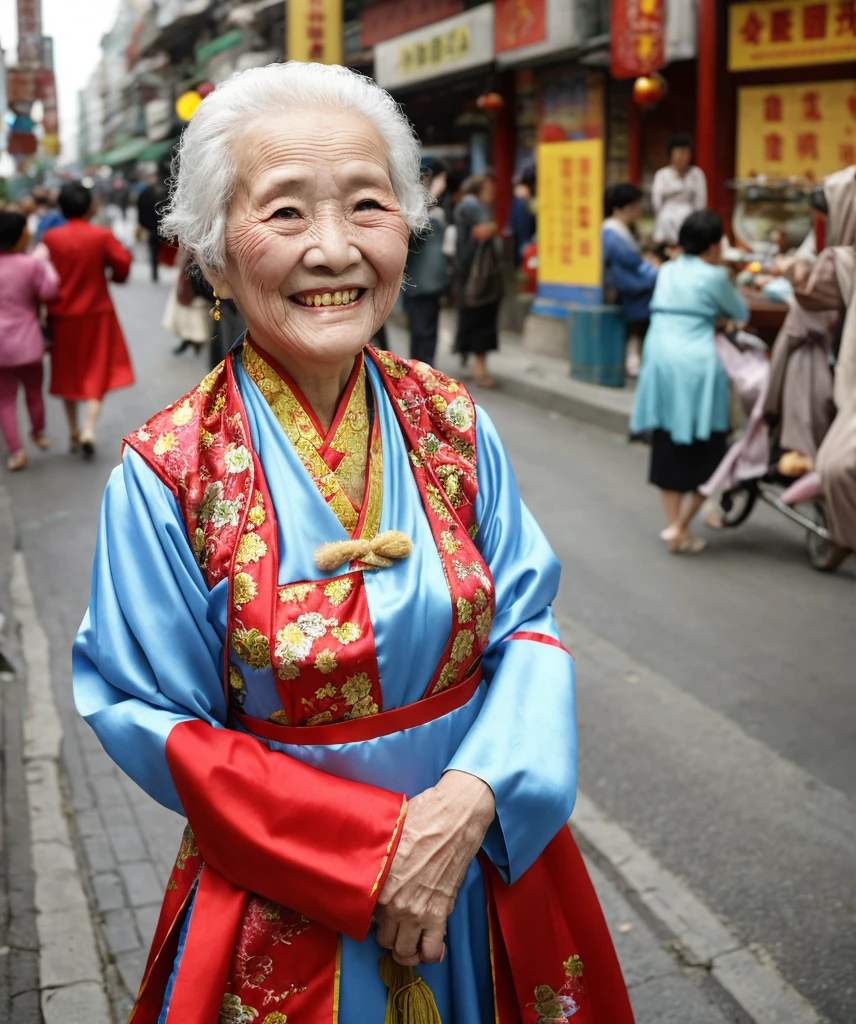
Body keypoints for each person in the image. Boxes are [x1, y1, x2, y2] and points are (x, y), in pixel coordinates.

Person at [72, 62, 633, 1024]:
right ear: (211, 258)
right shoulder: (170, 471)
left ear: (407, 231)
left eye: (367, 205)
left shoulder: (452, 421)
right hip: (290, 897)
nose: (334, 250)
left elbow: (527, 626)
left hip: (483, 862)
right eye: (285, 214)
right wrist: (372, 855)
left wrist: (471, 800)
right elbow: (149, 712)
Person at [631, 210, 749, 553]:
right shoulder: (715, 276)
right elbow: (742, 312)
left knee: (667, 441)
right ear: (714, 245)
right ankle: (681, 527)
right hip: (695, 362)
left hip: (660, 356)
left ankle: (674, 526)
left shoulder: (667, 270)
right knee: (710, 448)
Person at [763, 165, 856, 471]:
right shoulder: (833, 240)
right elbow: (807, 264)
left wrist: (797, 273)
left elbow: (815, 286)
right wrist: (796, 266)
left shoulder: (843, 259)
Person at [43, 182, 133, 458]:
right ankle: (88, 429)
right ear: (90, 206)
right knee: (97, 369)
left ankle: (72, 431)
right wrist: (113, 277)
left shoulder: (51, 238)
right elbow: (123, 264)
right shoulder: (101, 235)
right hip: (97, 314)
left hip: (61, 316)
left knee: (67, 373)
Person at [0, 211, 60, 471]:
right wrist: (44, 263)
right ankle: (38, 432)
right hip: (28, 342)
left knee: (5, 399)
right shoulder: (30, 265)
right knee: (34, 392)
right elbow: (50, 292)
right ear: (18, 237)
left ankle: (16, 451)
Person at [602, 183, 659, 377]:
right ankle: (634, 360)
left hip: (629, 286)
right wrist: (655, 274)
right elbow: (632, 264)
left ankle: (634, 359)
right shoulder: (612, 234)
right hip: (628, 289)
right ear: (628, 207)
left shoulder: (618, 231)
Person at [454, 173, 502, 388]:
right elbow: (485, 232)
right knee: (482, 318)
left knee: (470, 316)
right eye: (490, 188)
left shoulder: (462, 205)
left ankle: (470, 359)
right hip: (479, 274)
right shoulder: (476, 208)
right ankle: (479, 368)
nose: (492, 194)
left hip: (465, 272)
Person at [403, 157, 450, 365]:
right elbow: (415, 237)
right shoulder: (411, 203)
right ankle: (419, 380)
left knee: (427, 334)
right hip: (419, 283)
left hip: (431, 284)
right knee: (421, 334)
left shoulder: (430, 205)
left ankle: (424, 378)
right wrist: (433, 196)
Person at [651, 133, 708, 248]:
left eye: (685, 153)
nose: (681, 158)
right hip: (666, 219)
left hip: (689, 218)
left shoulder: (696, 174)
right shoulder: (662, 174)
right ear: (671, 154)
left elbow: (701, 201)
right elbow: (656, 202)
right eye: (678, 153)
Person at [161, 246, 214, 355]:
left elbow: (181, 258)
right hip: (194, 273)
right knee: (191, 309)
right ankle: (191, 339)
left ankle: (194, 339)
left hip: (194, 273)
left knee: (193, 308)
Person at [137, 174, 167, 283]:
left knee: (153, 249)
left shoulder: (145, 192)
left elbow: (140, 210)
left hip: (152, 226)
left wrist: (144, 223)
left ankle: (155, 269)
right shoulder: (166, 190)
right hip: (164, 225)